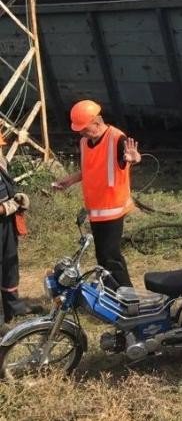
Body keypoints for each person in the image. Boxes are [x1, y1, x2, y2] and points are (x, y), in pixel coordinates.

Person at [52, 100, 141, 289]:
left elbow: (130, 158)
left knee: (110, 255)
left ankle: (127, 296)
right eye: (79, 130)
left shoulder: (117, 138)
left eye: (84, 128)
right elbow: (90, 169)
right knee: (102, 255)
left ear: (97, 121)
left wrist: (134, 158)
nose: (82, 133)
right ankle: (111, 291)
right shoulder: (85, 141)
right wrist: (69, 180)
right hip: (96, 208)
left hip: (113, 208)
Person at [0, 134, 40, 331]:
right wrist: (9, 206)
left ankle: (13, 307)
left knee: (9, 263)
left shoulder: (1, 160)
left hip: (5, 224)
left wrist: (16, 198)